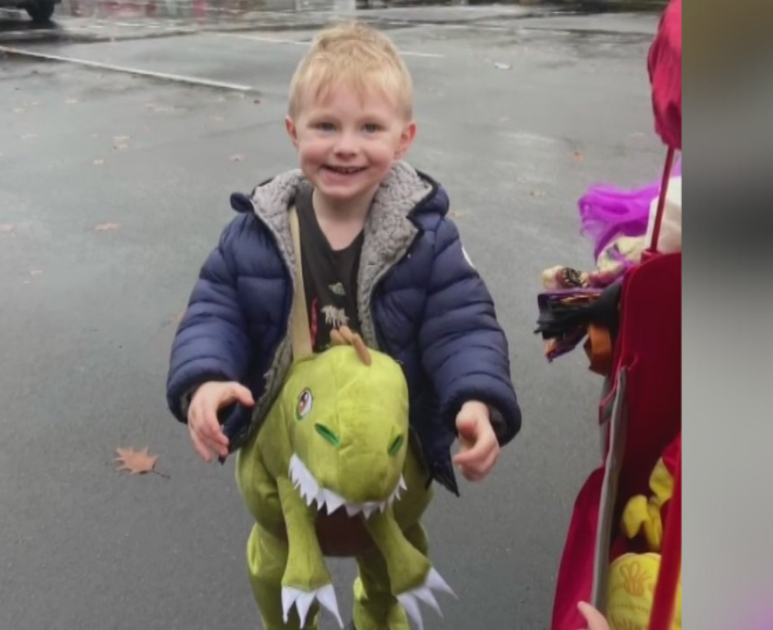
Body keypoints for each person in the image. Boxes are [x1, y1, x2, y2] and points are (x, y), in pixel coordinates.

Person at [165, 21, 522, 629]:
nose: (346, 147)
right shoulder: (258, 231)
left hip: (388, 456)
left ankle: (378, 616)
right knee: (278, 561)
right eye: (326, 126)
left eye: (370, 128)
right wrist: (205, 380)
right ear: (293, 130)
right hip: (290, 454)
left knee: (390, 564)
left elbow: (463, 326)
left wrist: (477, 402)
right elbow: (215, 308)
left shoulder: (426, 237)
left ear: (404, 139)